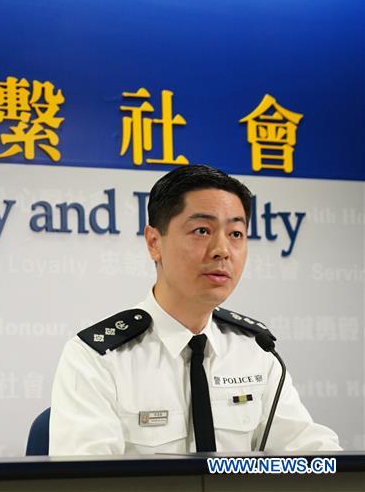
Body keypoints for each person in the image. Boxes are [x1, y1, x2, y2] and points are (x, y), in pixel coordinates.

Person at [49, 164, 340, 455]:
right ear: (154, 243)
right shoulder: (96, 358)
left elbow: (311, 453)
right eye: (202, 230)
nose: (222, 250)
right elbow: (86, 481)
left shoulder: (256, 351)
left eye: (236, 233)